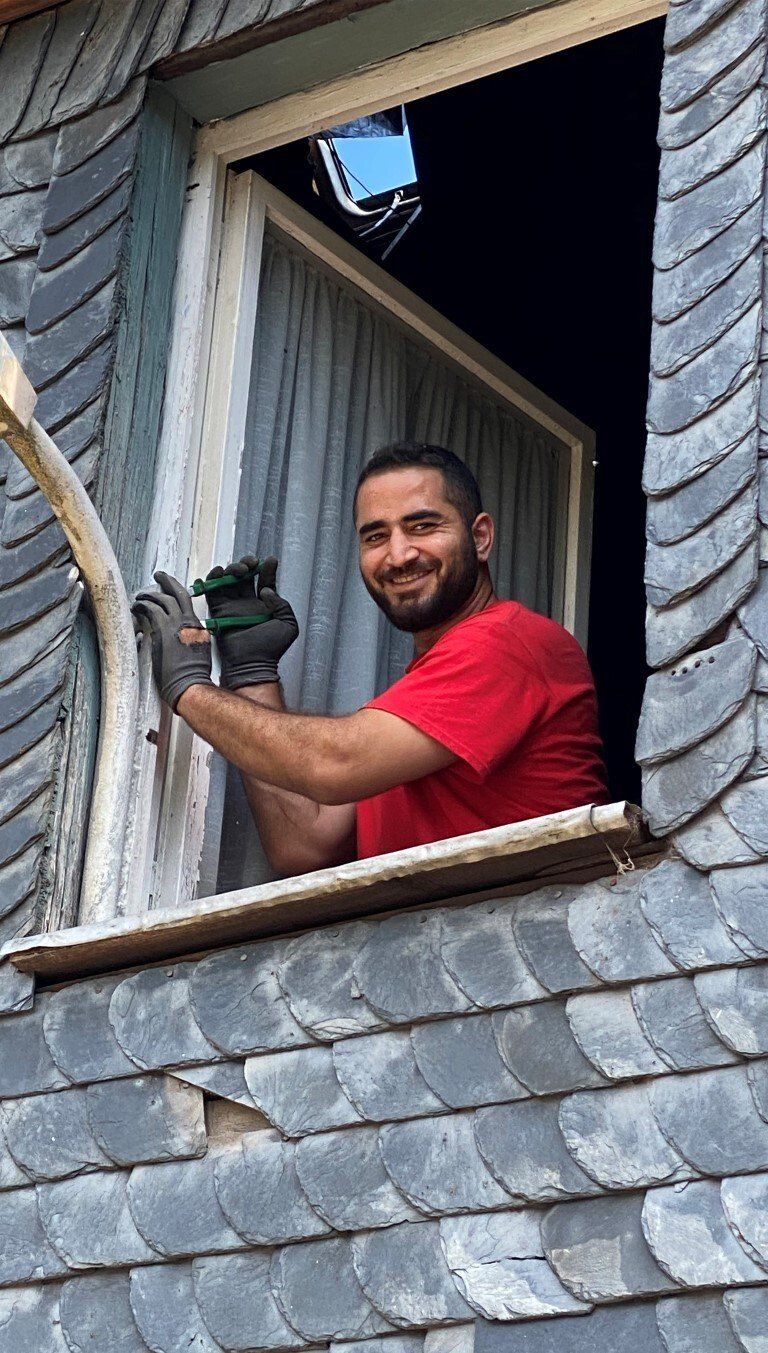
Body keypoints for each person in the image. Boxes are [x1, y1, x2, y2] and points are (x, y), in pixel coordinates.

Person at [133, 442, 608, 875]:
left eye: (422, 526)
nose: (398, 555)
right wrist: (250, 674)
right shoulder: (416, 708)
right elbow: (304, 842)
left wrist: (190, 690)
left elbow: (335, 764)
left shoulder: (510, 643)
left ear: (480, 537)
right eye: (376, 536)